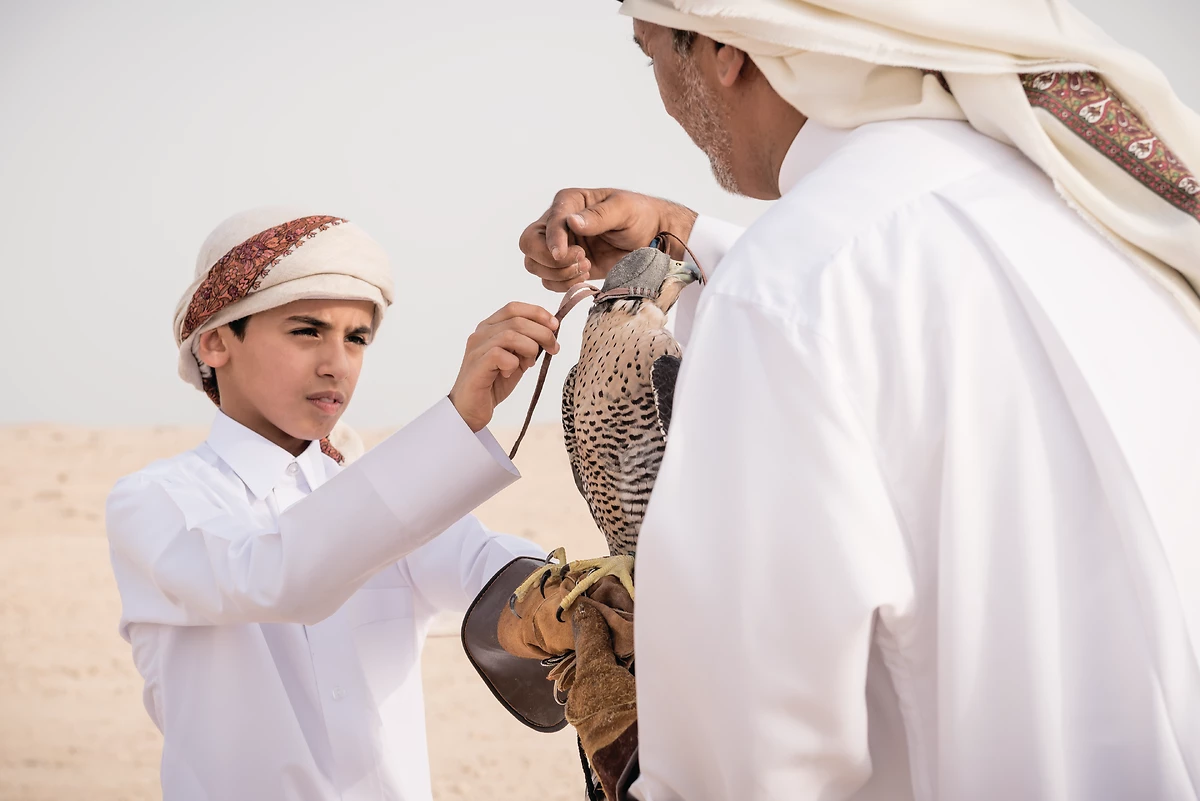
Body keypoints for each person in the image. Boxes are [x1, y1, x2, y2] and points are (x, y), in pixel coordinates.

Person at [518, 1, 1200, 798]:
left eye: (651, 56)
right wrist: (687, 238)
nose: (664, 99)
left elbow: (754, 770)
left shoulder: (787, 289)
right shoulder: (1098, 208)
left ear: (725, 47)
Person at [106, 207, 557, 800]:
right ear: (215, 341)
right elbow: (278, 578)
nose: (336, 364)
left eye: (356, 338)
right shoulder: (156, 502)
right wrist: (454, 422)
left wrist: (586, 600)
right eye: (306, 331)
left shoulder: (386, 494)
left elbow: (492, 571)